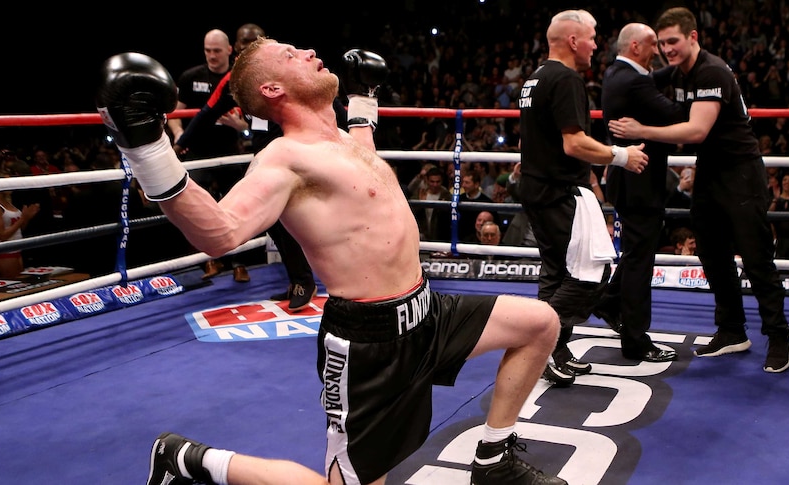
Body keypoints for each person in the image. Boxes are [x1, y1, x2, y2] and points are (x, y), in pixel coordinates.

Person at [97, 43, 566, 485]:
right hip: (369, 343)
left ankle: (493, 460)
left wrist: (363, 96)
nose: (309, 52)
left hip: (428, 312)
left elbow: (362, 155)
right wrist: (147, 147)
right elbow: (219, 234)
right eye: (290, 54)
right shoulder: (282, 159)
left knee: (539, 323)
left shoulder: (339, 139)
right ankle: (185, 457)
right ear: (272, 89)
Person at [607, 6, 789, 373]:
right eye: (661, 43)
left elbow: (696, 131)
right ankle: (731, 330)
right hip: (709, 172)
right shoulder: (679, 73)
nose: (667, 49)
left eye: (673, 41)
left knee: (756, 258)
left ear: (693, 37)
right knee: (712, 254)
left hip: (740, 173)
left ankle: (778, 335)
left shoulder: (711, 70)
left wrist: (640, 131)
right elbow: (631, 76)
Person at [516, 9, 649, 387]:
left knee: (556, 272)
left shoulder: (535, 79)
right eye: (591, 36)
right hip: (557, 192)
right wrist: (622, 156)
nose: (596, 44)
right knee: (592, 273)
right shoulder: (565, 79)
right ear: (573, 40)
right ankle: (539, 345)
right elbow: (573, 143)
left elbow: (536, 139)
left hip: (540, 187)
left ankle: (554, 350)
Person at [172, 23, 321, 309]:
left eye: (252, 48)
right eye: (242, 48)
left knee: (298, 219)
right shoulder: (235, 80)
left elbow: (329, 104)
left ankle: (313, 279)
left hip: (298, 156)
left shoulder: (290, 74)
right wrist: (178, 146)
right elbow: (206, 114)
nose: (245, 54)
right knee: (277, 222)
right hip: (266, 162)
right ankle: (299, 280)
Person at [595, 22, 686, 363]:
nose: (658, 51)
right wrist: (697, 94)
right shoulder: (632, 81)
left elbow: (650, 81)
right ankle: (635, 339)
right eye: (652, 45)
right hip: (640, 182)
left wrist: (675, 68)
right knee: (639, 262)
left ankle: (606, 302)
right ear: (636, 46)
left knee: (634, 254)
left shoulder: (617, 73)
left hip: (629, 181)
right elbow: (678, 116)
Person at [168, 28, 249, 283]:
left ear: (229, 50)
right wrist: (179, 131)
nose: (212, 55)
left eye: (216, 50)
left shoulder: (240, 78)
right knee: (198, 208)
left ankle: (239, 262)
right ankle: (210, 260)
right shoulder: (191, 77)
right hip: (198, 152)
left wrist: (241, 127)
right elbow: (174, 114)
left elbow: (256, 120)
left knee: (238, 206)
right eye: (207, 50)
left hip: (229, 150)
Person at [0, 169, 40, 278]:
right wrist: (22, 219)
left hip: (17, 248)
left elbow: (18, 230)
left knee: (20, 284)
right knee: (14, 284)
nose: (11, 185)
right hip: (4, 252)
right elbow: (2, 235)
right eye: (7, 182)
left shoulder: (9, 202)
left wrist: (27, 218)